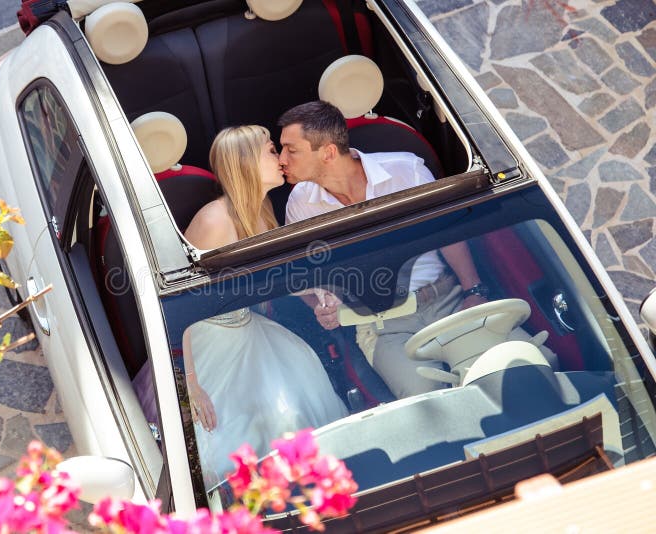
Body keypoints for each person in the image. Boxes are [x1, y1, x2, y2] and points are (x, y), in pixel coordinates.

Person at [277, 100, 557, 399]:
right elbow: (311, 279)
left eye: (291, 150)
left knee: (527, 369)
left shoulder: (405, 169)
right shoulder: (299, 203)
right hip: (382, 326)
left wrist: (474, 290)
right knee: (427, 405)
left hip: (446, 301)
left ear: (329, 152)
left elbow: (447, 233)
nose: (282, 159)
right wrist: (323, 305)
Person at [182, 125, 348, 487]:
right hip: (204, 342)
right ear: (245, 163)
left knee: (299, 392)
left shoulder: (263, 210)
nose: (281, 159)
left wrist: (315, 292)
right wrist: (190, 384)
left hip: (248, 327)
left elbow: (271, 280)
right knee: (249, 426)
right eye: (272, 151)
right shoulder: (213, 222)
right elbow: (182, 308)